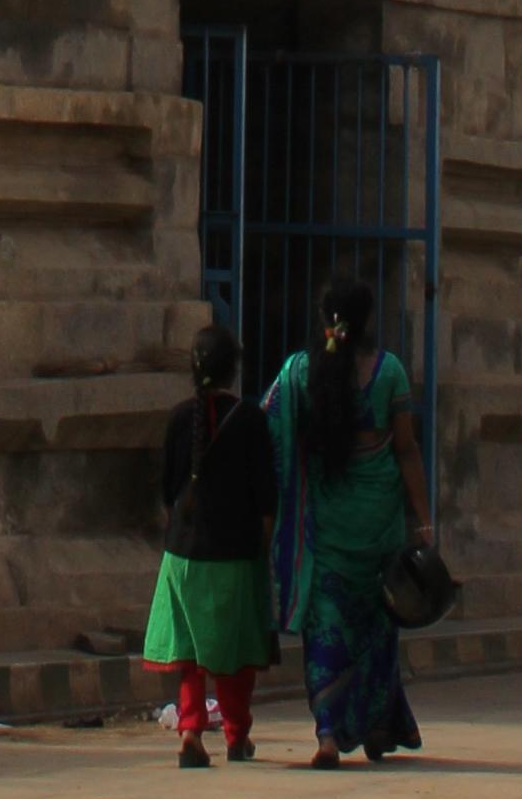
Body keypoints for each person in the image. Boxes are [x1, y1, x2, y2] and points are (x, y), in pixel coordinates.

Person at [265, 271, 435, 766]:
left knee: (327, 629)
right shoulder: (389, 374)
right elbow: (406, 452)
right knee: (377, 631)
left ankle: (326, 734)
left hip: (325, 533)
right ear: (366, 323)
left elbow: (270, 431)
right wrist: (423, 522)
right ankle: (378, 722)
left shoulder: (298, 375)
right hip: (379, 530)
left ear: (326, 322)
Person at [144, 318, 278, 765]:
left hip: (182, 554)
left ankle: (190, 733)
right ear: (233, 369)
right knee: (233, 651)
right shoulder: (252, 420)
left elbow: (166, 489)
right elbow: (266, 498)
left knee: (189, 652)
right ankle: (237, 736)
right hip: (234, 555)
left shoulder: (180, 418)